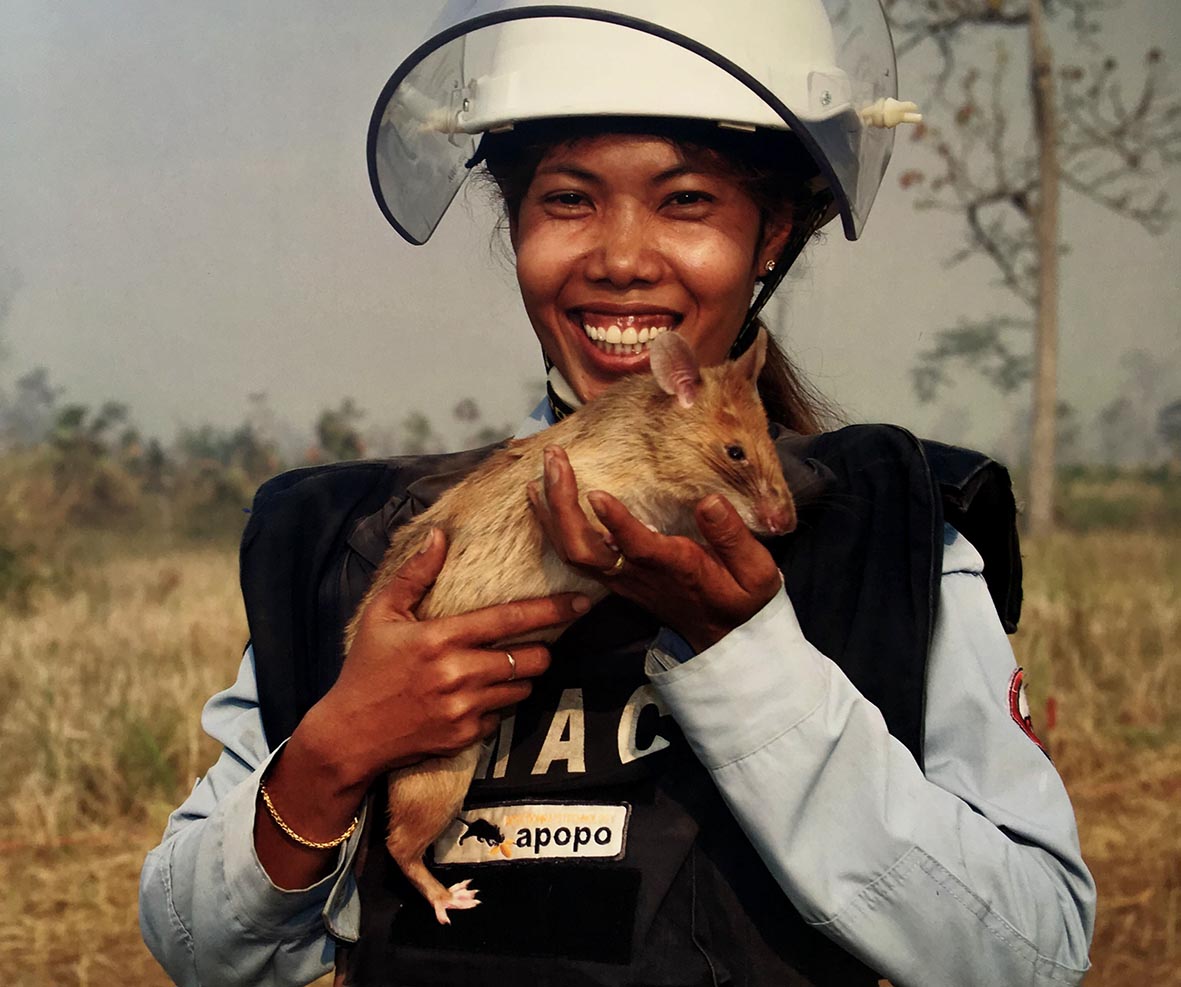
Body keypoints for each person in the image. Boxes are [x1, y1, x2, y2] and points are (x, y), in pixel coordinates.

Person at [139, 3, 1095, 985]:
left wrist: (747, 665)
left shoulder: (888, 539)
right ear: (513, 223)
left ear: (770, 235)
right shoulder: (368, 545)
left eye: (684, 200)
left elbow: (1033, 953)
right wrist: (334, 752)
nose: (621, 257)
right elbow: (197, 947)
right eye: (567, 198)